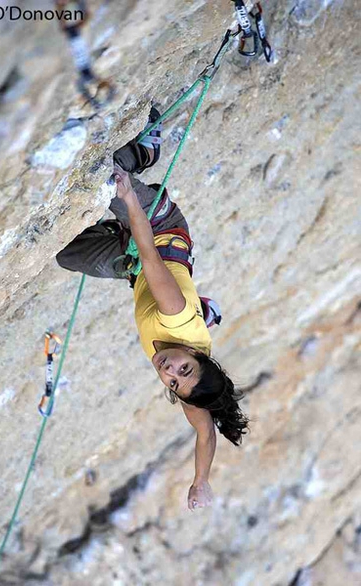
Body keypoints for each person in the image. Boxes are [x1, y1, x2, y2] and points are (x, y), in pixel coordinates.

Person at [56, 108, 249, 510]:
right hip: (160, 232)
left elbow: (205, 433)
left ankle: (116, 232)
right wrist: (127, 198)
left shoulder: (190, 387)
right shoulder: (174, 314)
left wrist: (201, 482)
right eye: (183, 369)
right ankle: (143, 153)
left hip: (138, 264)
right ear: (197, 353)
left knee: (67, 256)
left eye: (174, 383)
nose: (168, 372)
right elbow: (147, 246)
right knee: (108, 178)